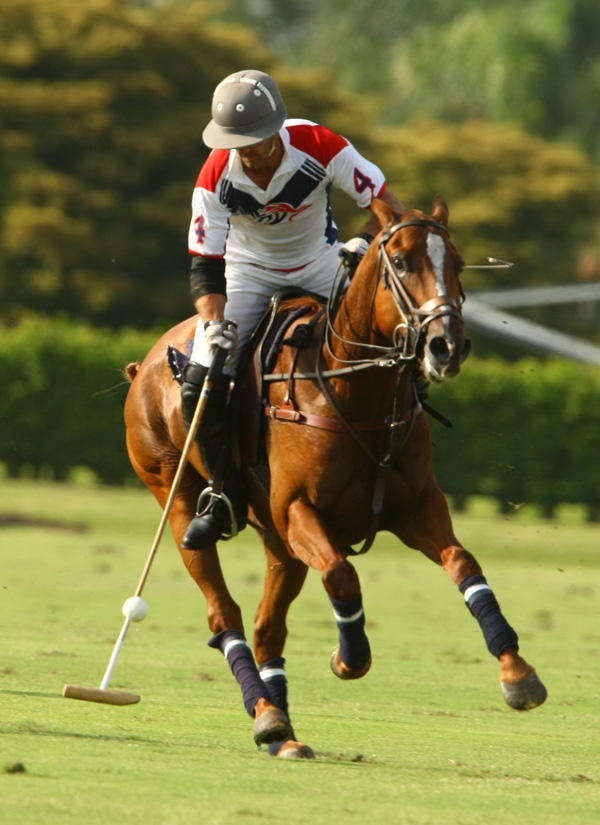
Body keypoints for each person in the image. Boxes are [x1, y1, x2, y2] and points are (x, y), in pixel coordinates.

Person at [181, 69, 405, 550]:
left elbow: (388, 207)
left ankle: (406, 460)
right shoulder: (215, 176)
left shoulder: (319, 144)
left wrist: (362, 243)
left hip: (322, 263)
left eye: (254, 141)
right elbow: (205, 265)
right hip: (247, 273)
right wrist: (214, 324)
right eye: (236, 143)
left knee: (395, 338)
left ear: (275, 127)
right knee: (200, 381)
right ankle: (221, 495)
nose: (246, 152)